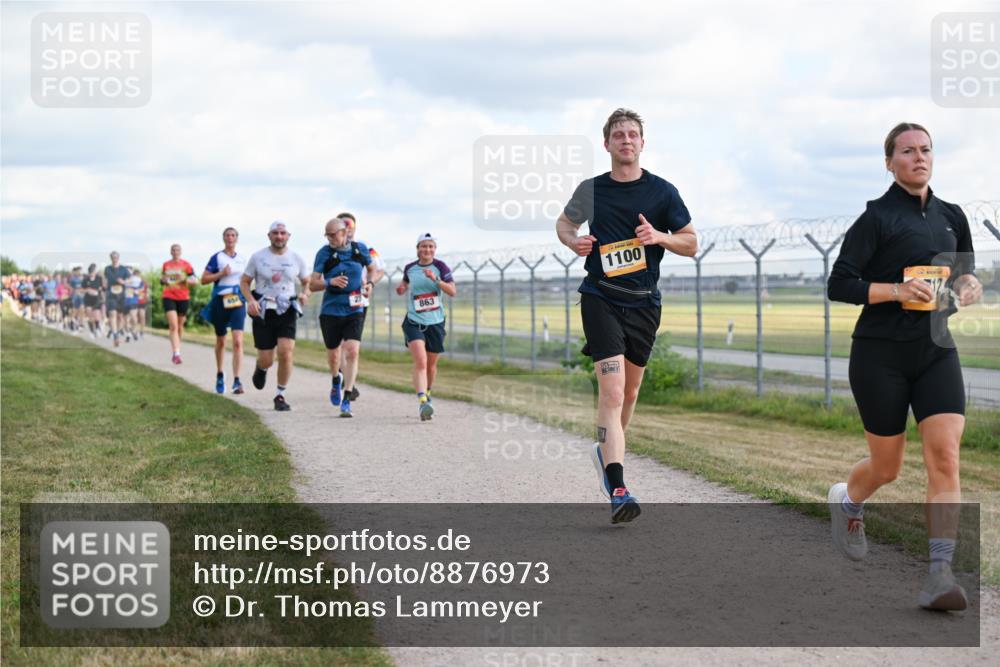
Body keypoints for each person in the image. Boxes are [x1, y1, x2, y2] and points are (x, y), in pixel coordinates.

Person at [827, 122, 982, 611]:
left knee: (945, 456)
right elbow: (839, 283)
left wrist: (969, 288)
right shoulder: (876, 219)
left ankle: (939, 574)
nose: (920, 157)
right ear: (890, 162)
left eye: (926, 150)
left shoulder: (952, 216)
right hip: (880, 356)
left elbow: (962, 276)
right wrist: (894, 290)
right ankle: (849, 501)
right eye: (908, 151)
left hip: (936, 349)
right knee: (888, 467)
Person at [556, 108, 697, 523]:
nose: (626, 140)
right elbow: (563, 224)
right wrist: (573, 242)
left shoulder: (663, 192)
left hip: (644, 303)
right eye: (618, 135)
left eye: (633, 134)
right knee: (613, 393)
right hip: (600, 296)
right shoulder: (591, 190)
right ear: (607, 144)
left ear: (642, 142)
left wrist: (660, 238)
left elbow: (691, 242)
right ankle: (618, 485)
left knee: (630, 395)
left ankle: (607, 454)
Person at [240, 221, 311, 411]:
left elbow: (306, 281)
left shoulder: (296, 258)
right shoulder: (258, 257)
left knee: (286, 352)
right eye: (275, 233)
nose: (279, 236)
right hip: (263, 310)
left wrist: (305, 293)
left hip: (287, 308)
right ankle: (261, 368)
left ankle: (280, 394)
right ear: (269, 236)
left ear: (288, 236)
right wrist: (250, 300)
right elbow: (245, 282)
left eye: (282, 233)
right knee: (267, 358)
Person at [308, 217, 373, 417]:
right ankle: (336, 378)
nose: (329, 238)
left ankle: (347, 398)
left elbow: (373, 269)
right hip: (331, 310)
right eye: (327, 235)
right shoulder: (324, 253)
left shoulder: (360, 249)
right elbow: (312, 284)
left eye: (332, 234)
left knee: (352, 351)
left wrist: (370, 283)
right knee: (334, 355)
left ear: (344, 232)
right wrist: (330, 281)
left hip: (355, 308)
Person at [395, 232, 456, 421]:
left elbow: (452, 291)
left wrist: (436, 280)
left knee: (431, 365)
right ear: (418, 248)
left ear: (434, 249)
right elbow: (404, 284)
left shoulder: (440, 267)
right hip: (414, 320)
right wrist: (402, 288)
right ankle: (422, 401)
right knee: (421, 362)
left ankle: (427, 392)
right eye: (423, 246)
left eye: (430, 246)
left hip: (436, 322)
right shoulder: (410, 268)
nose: (427, 249)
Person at [338, 212, 386, 402]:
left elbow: (380, 269)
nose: (347, 230)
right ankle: (343, 376)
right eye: (343, 226)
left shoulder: (366, 247)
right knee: (339, 345)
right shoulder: (330, 248)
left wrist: (371, 283)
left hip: (358, 299)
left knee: (350, 345)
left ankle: (348, 383)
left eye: (350, 226)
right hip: (337, 300)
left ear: (355, 228)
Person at [201, 227, 248, 394]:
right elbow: (204, 279)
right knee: (221, 340)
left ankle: (237, 380)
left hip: (237, 302)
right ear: (223, 238)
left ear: (237, 238)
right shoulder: (217, 258)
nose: (230, 238)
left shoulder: (242, 259)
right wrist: (221, 273)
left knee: (237, 341)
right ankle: (220, 374)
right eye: (227, 235)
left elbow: (247, 280)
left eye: (233, 235)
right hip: (221, 302)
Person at [160, 244, 198, 363]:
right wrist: (163, 280)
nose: (175, 252)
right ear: (170, 252)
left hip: (183, 297)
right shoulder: (166, 264)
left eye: (178, 250)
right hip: (168, 296)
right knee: (173, 325)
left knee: (180, 326)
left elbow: (195, 280)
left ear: (180, 252)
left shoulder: (186, 265)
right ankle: (176, 353)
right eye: (173, 250)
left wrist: (185, 280)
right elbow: (163, 279)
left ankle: (178, 349)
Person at [104, 252, 131, 346]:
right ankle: (115, 336)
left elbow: (129, 280)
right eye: (113, 257)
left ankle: (118, 333)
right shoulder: (107, 269)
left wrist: (123, 281)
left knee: (120, 317)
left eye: (116, 257)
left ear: (118, 258)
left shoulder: (124, 269)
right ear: (111, 258)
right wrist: (104, 286)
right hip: (111, 295)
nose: (114, 258)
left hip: (121, 295)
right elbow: (106, 280)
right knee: (112, 314)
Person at [81, 264, 104, 338]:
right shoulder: (85, 280)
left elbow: (101, 287)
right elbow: (82, 290)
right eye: (90, 272)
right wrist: (87, 290)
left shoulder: (99, 278)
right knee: (89, 315)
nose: (92, 273)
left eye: (93, 271)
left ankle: (97, 328)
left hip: (96, 299)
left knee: (96, 316)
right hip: (88, 299)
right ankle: (91, 331)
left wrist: (99, 291)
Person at [123, 267, 144, 341]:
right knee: (125, 320)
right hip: (124, 302)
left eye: (129, 271)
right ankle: (129, 333)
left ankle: (134, 331)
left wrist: (136, 291)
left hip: (133, 301)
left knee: (133, 317)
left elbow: (141, 289)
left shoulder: (138, 280)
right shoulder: (123, 279)